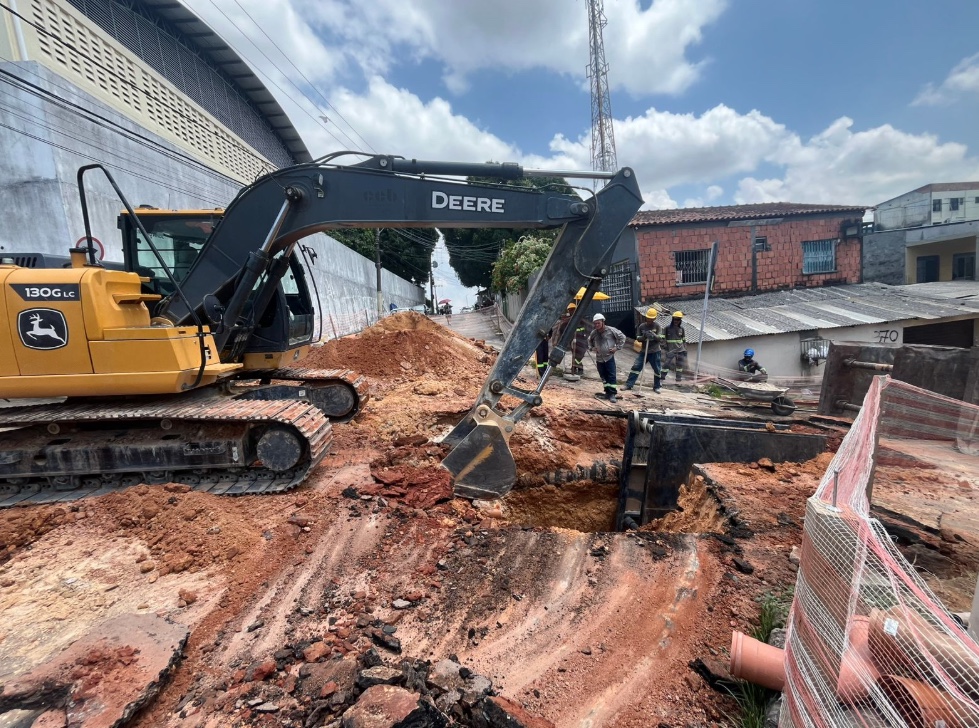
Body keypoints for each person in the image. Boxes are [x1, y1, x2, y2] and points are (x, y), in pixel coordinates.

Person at [587, 313, 625, 403]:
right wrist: (592, 348)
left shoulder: (611, 330)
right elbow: (589, 340)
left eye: (598, 323)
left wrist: (617, 348)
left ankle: (612, 394)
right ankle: (607, 392)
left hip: (609, 357)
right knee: (603, 376)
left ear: (603, 322)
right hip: (599, 358)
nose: (597, 325)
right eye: (595, 323)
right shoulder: (594, 333)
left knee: (611, 375)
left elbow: (622, 337)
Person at [623, 307, 662, 393]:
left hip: (655, 351)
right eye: (648, 318)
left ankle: (657, 387)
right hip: (644, 351)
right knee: (636, 367)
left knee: (657, 369)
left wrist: (654, 335)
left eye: (651, 319)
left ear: (655, 318)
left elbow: (660, 338)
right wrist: (644, 337)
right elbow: (638, 338)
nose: (649, 320)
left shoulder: (657, 326)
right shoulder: (642, 326)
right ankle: (629, 384)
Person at [663, 311, 688, 382]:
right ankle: (661, 379)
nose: (676, 321)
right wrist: (665, 346)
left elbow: (684, 340)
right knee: (666, 364)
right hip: (670, 350)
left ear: (680, 320)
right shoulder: (667, 328)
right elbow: (662, 338)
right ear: (672, 319)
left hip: (680, 350)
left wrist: (685, 349)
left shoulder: (681, 329)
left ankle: (678, 381)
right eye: (675, 319)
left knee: (679, 366)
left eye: (678, 319)